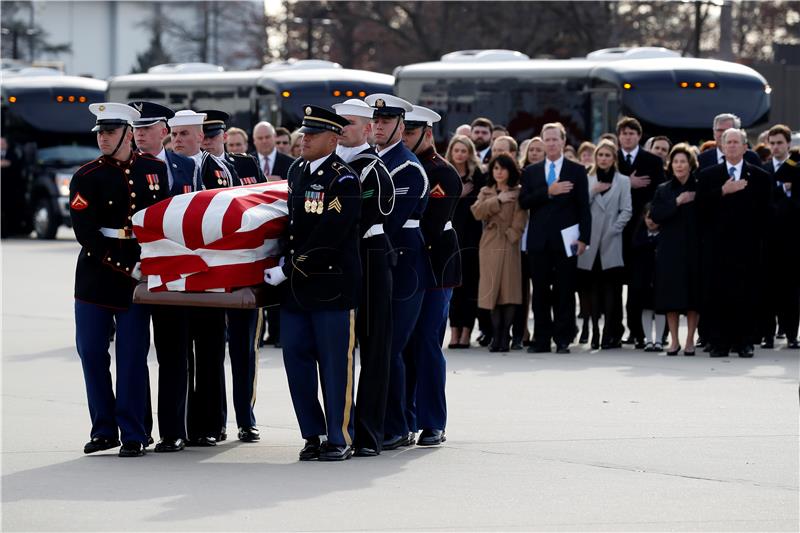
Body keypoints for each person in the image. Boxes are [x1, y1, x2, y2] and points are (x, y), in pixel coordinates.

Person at [262, 105, 360, 461]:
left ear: (333, 140)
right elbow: (291, 226)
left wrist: (290, 268)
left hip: (330, 285)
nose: (304, 139)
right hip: (297, 290)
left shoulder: (343, 179)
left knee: (335, 364)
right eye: (303, 133)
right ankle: (313, 433)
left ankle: (340, 436)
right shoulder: (297, 171)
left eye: (312, 135)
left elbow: (329, 234)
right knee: (297, 362)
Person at [71, 102, 168, 457]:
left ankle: (133, 432)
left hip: (140, 272)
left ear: (128, 133)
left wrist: (151, 264)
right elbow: (86, 234)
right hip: (97, 275)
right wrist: (128, 268)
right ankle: (103, 429)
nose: (102, 138)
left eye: (109, 132)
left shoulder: (154, 169)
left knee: (132, 357)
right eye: (99, 132)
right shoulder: (87, 176)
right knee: (93, 354)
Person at [129, 100, 199, 453]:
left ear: (164, 131)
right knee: (135, 352)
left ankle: (173, 430)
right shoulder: (126, 167)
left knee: (174, 353)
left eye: (147, 128)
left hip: (176, 273)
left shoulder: (185, 166)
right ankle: (138, 430)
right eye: (136, 128)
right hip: (137, 272)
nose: (140, 133)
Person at [364, 93, 432, 450]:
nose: (378, 126)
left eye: (386, 122)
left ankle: (399, 425)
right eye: (375, 121)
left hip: (405, 271)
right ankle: (384, 422)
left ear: (401, 127)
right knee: (381, 349)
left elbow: (386, 222)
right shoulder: (371, 162)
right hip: (381, 270)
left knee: (392, 349)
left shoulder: (406, 169)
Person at [332, 98, 395, 456]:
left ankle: (369, 433)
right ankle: (342, 428)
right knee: (340, 350)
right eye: (339, 122)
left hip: (369, 258)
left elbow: (363, 216)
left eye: (350, 123)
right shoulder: (329, 166)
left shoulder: (373, 169)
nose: (342, 129)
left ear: (369, 130)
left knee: (373, 348)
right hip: (341, 260)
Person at [200, 109, 267, 443]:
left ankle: (246, 417)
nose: (207, 141)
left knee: (244, 350)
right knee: (212, 350)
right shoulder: (195, 168)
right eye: (204, 135)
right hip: (211, 270)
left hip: (244, 268)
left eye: (212, 136)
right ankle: (215, 421)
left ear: (224, 136)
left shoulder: (246, 165)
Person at [168, 109, 230, 446]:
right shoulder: (165, 168)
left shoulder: (216, 168)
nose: (177, 141)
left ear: (199, 136)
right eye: (174, 135)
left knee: (209, 352)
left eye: (184, 135)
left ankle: (209, 424)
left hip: (210, 272)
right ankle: (177, 428)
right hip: (175, 271)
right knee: (177, 354)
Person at [402, 105, 462, 446]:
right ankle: (405, 417)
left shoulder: (441, 172)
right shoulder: (401, 166)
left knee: (426, 343)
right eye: (403, 132)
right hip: (409, 267)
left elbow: (432, 225)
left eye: (411, 133)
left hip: (435, 267)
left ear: (427, 134)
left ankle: (431, 421)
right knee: (405, 345)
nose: (405, 138)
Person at [696, 128, 772, 358]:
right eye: (727, 142)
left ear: (744, 147)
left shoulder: (759, 176)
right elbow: (699, 208)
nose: (731, 146)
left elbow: (765, 213)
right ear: (721, 146)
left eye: (735, 142)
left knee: (745, 294)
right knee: (718, 295)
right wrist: (722, 191)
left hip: (747, 247)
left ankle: (745, 342)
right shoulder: (709, 175)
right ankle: (720, 343)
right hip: (717, 248)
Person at [520, 122, 591, 354]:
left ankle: (563, 337)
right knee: (540, 292)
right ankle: (542, 339)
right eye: (547, 139)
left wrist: (584, 239)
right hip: (539, 241)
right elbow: (524, 201)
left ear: (563, 141)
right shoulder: (531, 171)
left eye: (555, 139)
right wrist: (548, 192)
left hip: (567, 240)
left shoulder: (577, 170)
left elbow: (584, 208)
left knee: (565, 291)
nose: (551, 143)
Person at [576, 140, 632, 350]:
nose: (603, 159)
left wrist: (614, 230)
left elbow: (627, 209)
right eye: (600, 155)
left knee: (611, 291)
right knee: (590, 290)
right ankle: (594, 332)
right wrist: (593, 191)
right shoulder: (587, 178)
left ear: (614, 159)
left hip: (611, 241)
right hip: (589, 242)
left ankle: (610, 332)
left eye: (608, 155)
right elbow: (580, 206)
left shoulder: (623, 181)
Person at [616, 116, 665, 349]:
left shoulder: (652, 161)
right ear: (619, 136)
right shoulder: (610, 158)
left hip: (642, 231)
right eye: (624, 133)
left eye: (632, 133)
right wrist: (627, 182)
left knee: (640, 285)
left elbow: (660, 192)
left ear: (639, 136)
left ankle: (640, 332)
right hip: (615, 229)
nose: (628, 137)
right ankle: (619, 330)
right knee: (616, 283)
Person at [471, 154, 527, 352]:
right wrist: (498, 199)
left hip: (510, 243)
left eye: (503, 168)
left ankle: (505, 335)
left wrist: (513, 235)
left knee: (509, 291)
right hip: (489, 243)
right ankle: (496, 336)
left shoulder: (518, 192)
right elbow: (477, 212)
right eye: (495, 168)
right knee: (492, 290)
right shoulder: (486, 191)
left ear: (510, 171)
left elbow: (521, 217)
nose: (499, 172)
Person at [650, 144, 702, 356]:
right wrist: (677, 202)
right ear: (670, 165)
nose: (679, 165)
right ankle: (674, 340)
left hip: (694, 248)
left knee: (692, 296)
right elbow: (655, 215)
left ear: (691, 165)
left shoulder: (699, 187)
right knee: (670, 296)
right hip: (669, 249)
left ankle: (690, 339)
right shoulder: (663, 189)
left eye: (683, 162)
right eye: (676, 161)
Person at [252, 121, 294, 348]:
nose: (265, 142)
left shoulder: (290, 164)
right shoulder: (249, 163)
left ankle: (278, 333)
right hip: (259, 231)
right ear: (255, 141)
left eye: (268, 137)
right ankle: (261, 333)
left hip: (282, 229)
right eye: (260, 138)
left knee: (279, 283)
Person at [761, 124, 800, 350]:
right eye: (772, 143)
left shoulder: (797, 169)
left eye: (779, 143)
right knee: (767, 289)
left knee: (791, 291)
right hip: (767, 239)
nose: (775, 147)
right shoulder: (763, 169)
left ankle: (792, 334)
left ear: (788, 145)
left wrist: (787, 192)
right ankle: (767, 334)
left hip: (792, 239)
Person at [445, 135, 484, 348]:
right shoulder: (446, 173)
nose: (460, 154)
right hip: (450, 235)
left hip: (471, 237)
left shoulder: (478, 176)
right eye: (456, 150)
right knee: (452, 286)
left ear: (469, 153)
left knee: (469, 285)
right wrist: (458, 194)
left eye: (464, 151)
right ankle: (454, 331)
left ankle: (466, 331)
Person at [629, 205, 664, 352]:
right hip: (643, 278)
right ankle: (648, 339)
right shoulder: (639, 235)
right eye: (648, 217)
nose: (651, 221)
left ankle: (659, 340)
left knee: (660, 309)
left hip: (659, 278)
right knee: (646, 308)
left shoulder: (664, 236)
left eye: (655, 218)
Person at [697, 113, 761, 170]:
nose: (723, 134)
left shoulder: (751, 158)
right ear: (714, 132)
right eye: (719, 130)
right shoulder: (703, 159)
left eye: (727, 130)